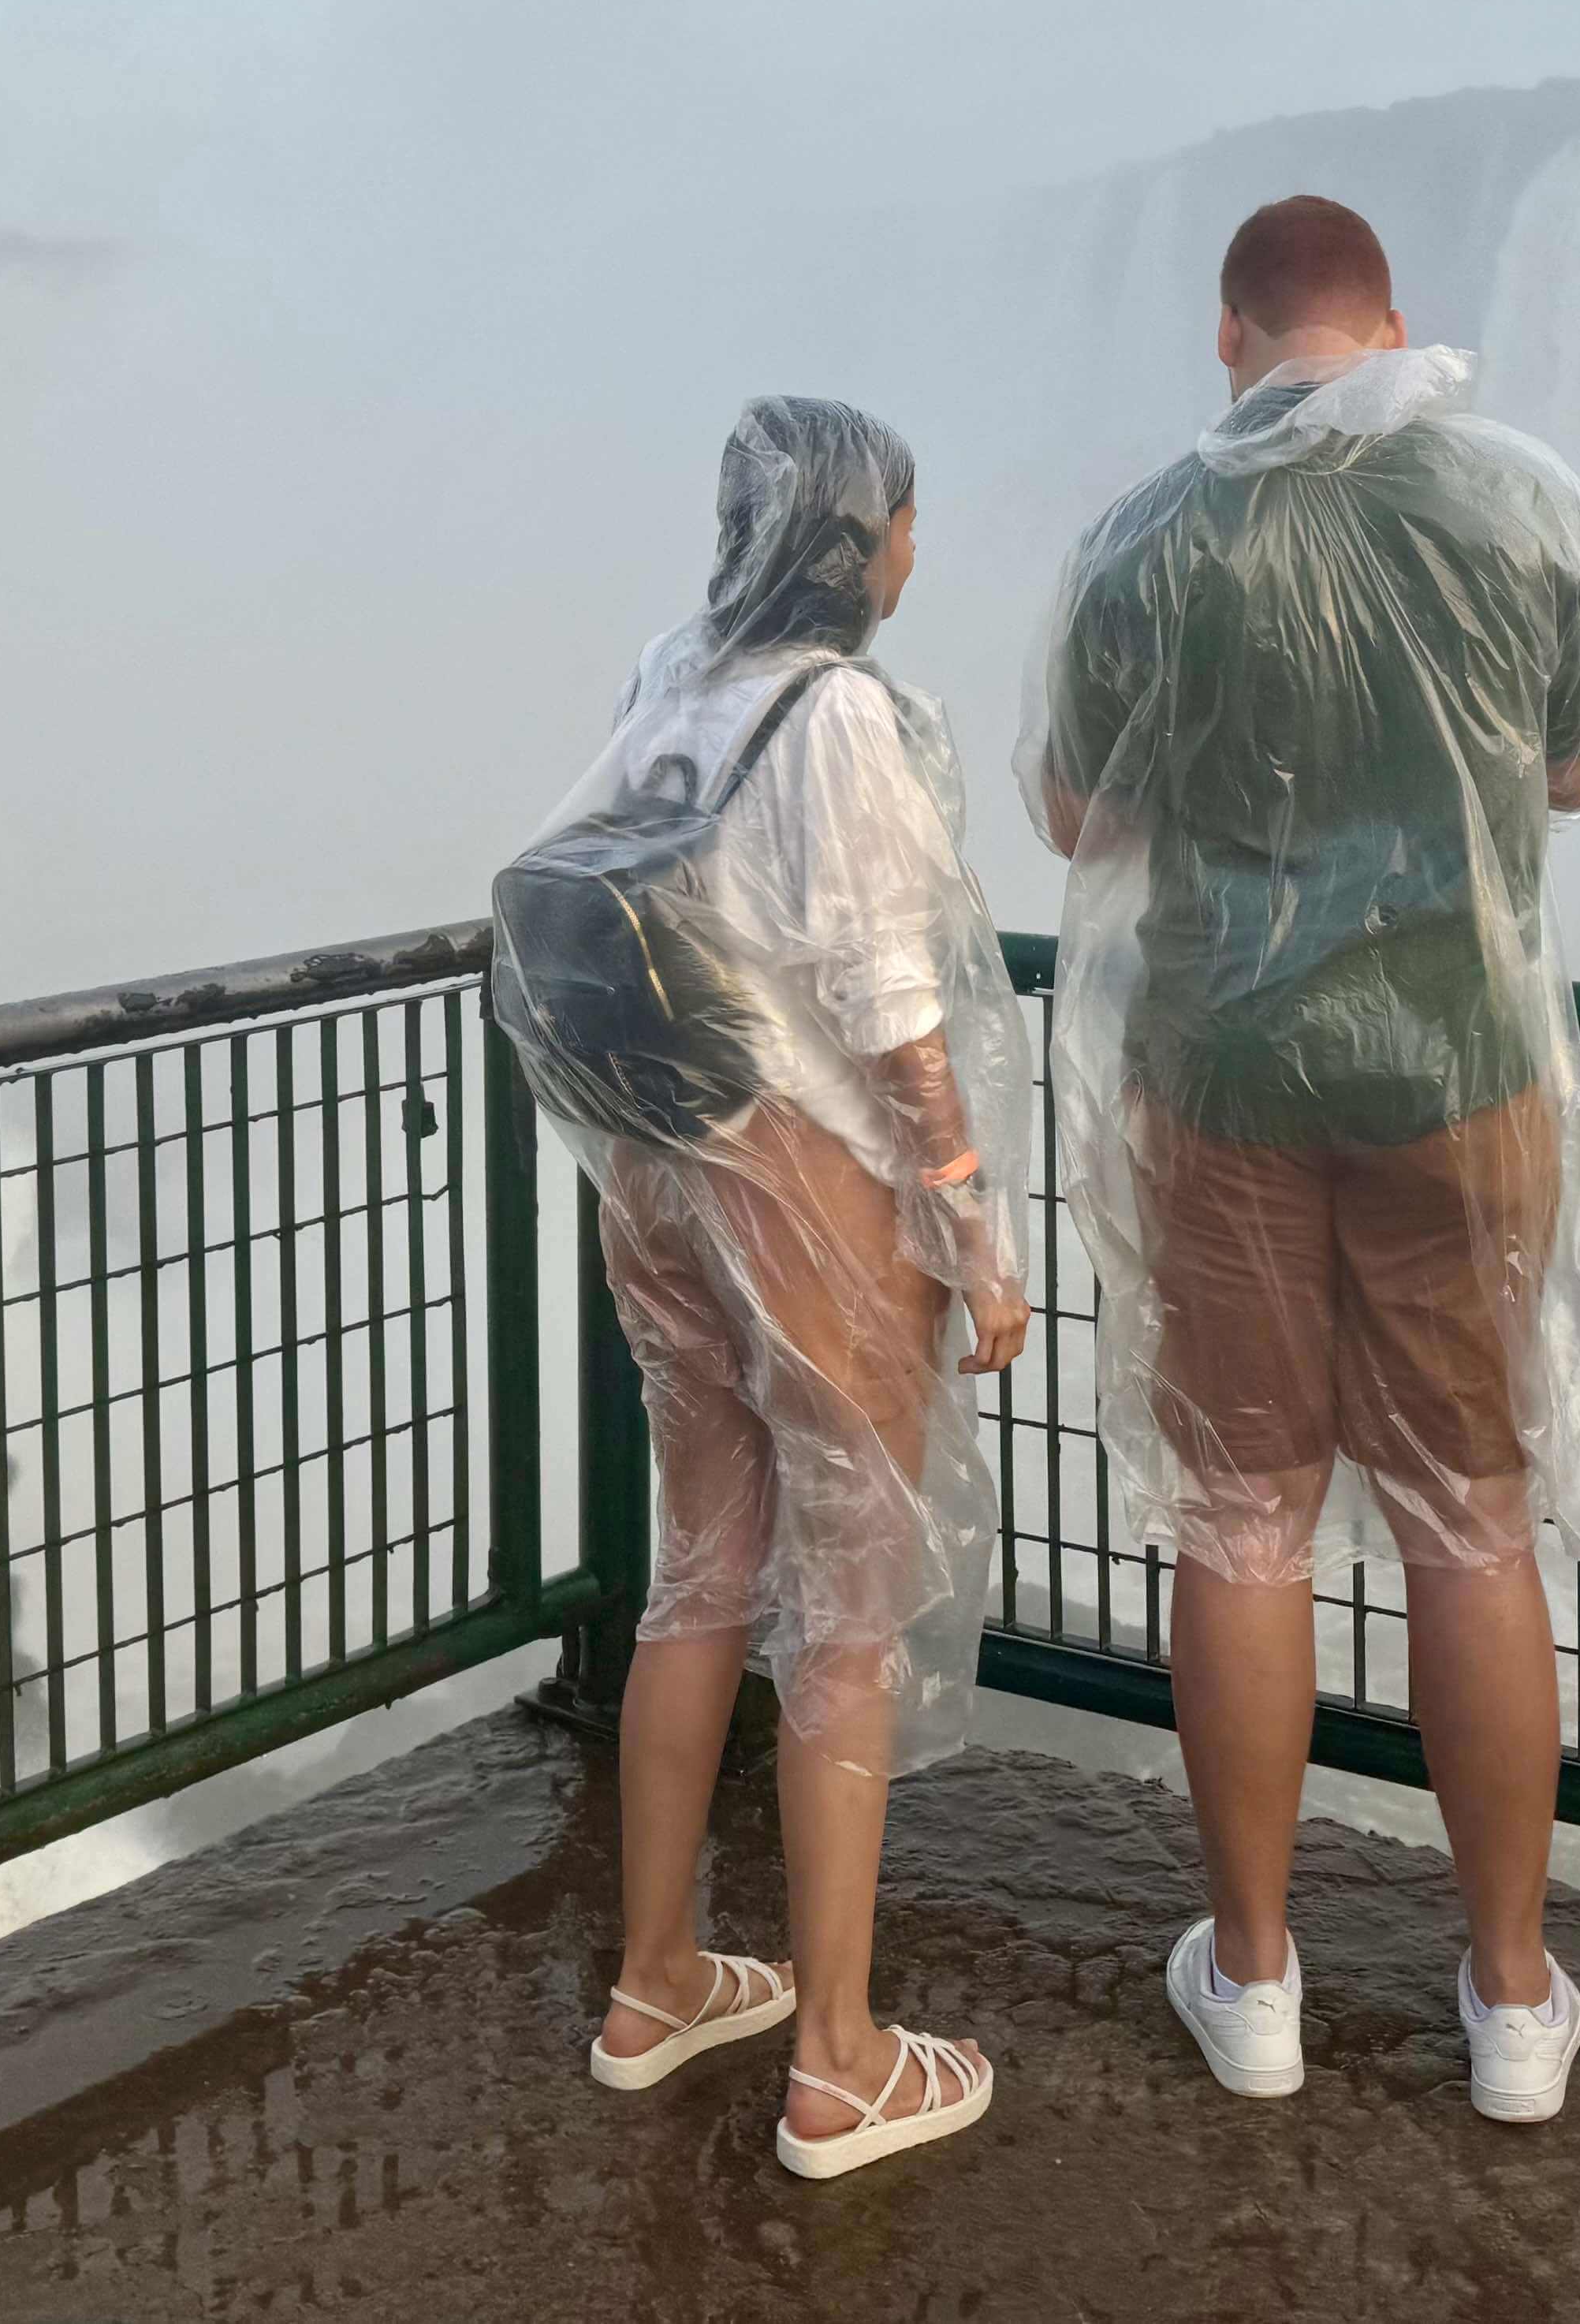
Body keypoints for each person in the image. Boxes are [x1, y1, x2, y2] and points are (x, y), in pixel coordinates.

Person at [1023, 196, 1580, 2126]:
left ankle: (1262, 1982)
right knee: (1472, 1517)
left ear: (1230, 339)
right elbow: (1579, 771)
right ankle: (1515, 2004)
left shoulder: (1142, 540)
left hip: (1219, 1079)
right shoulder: (1523, 504)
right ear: (1394, 324)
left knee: (1243, 1519)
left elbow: (1069, 808)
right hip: (1462, 1074)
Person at [492, 396, 1035, 2182]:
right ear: (855, 538)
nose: (910, 551)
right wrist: (971, 1231)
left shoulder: (672, 676)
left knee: (699, 1570)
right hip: (801, 1185)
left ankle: (656, 1981)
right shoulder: (839, 717)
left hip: (651, 1178)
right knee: (850, 1616)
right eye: (902, 520)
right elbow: (894, 1011)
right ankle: (837, 2057)